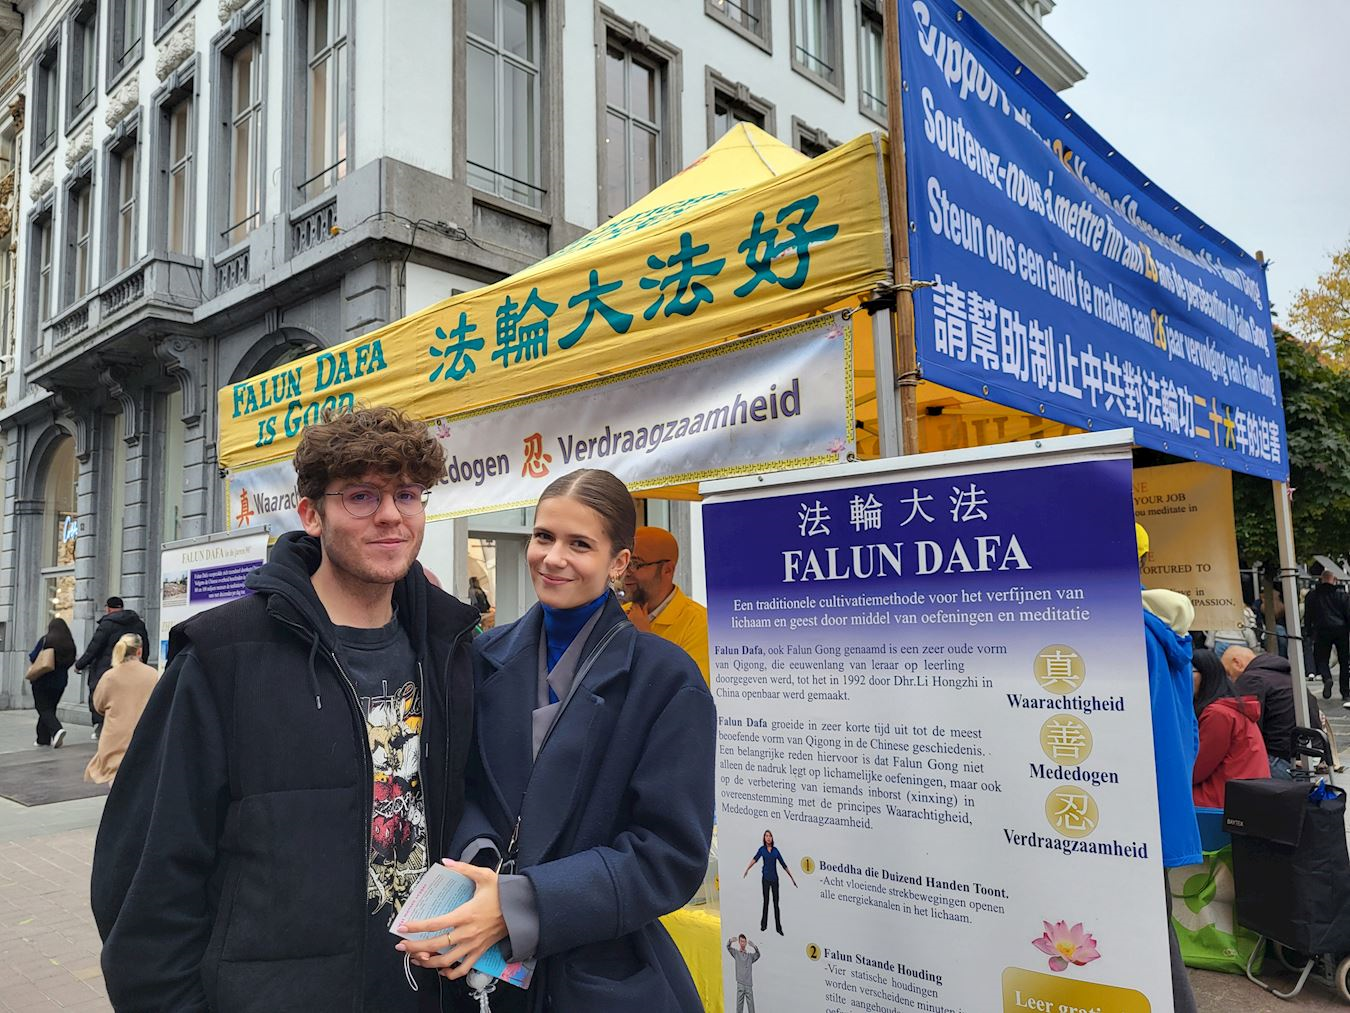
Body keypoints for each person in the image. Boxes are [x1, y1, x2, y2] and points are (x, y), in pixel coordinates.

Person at [91, 405, 481, 1012]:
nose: (390, 515)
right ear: (311, 515)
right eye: (361, 496)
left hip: (421, 991)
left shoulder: (450, 651)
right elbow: (145, 877)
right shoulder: (222, 656)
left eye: (407, 494)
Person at [399, 468, 716, 1012]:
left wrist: (524, 904)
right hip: (483, 965)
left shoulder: (666, 678)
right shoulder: (483, 656)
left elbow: (670, 854)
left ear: (619, 562)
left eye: (579, 544)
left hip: (599, 971)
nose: (553, 558)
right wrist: (482, 869)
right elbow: (461, 784)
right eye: (543, 537)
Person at [1136, 523, 1201, 1013]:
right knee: (1153, 923)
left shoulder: (1126, 630)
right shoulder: (1161, 628)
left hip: (1129, 807)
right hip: (1158, 797)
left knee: (1145, 928)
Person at [622, 525, 710, 684]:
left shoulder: (700, 624)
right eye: (624, 562)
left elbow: (687, 690)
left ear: (668, 570)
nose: (626, 572)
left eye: (635, 564)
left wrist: (645, 640)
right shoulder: (618, 615)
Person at [1223, 645, 1320, 779]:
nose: (1230, 680)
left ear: (1237, 663)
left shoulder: (1251, 679)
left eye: (1228, 673)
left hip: (1283, 761)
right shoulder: (1286, 675)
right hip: (1309, 754)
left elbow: (1245, 732)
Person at [1191, 648, 1269, 808]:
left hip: (1224, 801)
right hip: (1243, 796)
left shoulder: (1218, 714)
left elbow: (1196, 771)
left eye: (1189, 671)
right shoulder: (1230, 708)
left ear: (1206, 674)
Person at [85, 634, 159, 785]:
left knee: (115, 781)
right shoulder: (153, 674)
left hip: (115, 738)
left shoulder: (110, 676)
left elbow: (98, 704)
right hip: (144, 736)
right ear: (139, 651)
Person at [75, 596, 151, 738]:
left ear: (108, 609)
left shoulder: (107, 624)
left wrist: (80, 664)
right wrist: (142, 664)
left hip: (107, 667)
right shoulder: (138, 623)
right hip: (133, 668)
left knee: (102, 695)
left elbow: (94, 647)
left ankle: (101, 726)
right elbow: (145, 645)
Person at [29, 617, 76, 749]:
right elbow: (71, 661)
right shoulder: (69, 644)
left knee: (42, 708)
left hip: (42, 680)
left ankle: (57, 730)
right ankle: (42, 739)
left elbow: (33, 656)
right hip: (60, 681)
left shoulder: (46, 640)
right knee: (49, 709)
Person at [1304, 570, 1350, 701]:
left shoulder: (1312, 595)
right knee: (1344, 661)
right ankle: (1345, 692)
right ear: (1333, 580)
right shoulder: (1342, 595)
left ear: (1321, 579)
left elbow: (1308, 615)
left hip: (1321, 630)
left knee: (1321, 659)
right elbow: (1348, 613)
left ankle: (1327, 677)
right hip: (1341, 630)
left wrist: (1308, 631)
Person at [742, 829, 797, 935]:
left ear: (772, 838)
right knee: (766, 902)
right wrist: (747, 869)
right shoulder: (762, 850)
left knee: (776, 904)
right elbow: (755, 859)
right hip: (766, 879)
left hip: (775, 879)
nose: (768, 838)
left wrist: (792, 878)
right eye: (766, 836)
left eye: (770, 836)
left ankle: (778, 928)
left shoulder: (776, 851)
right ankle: (763, 925)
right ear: (764, 838)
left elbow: (783, 864)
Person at [726, 934, 761, 1013]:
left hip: (748, 984)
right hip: (740, 984)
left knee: (751, 1007)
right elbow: (728, 947)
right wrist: (730, 941)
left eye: (744, 941)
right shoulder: (736, 953)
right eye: (741, 941)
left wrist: (754, 947)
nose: (743, 943)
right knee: (739, 1007)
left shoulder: (750, 956)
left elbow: (758, 955)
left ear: (746, 943)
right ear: (739, 942)